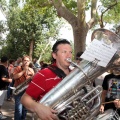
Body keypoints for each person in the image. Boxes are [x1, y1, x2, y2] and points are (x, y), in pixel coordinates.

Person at [21, 39, 72, 120]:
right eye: (64, 52)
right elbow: (25, 99)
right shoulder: (44, 74)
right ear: (54, 55)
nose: (69, 55)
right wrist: (38, 107)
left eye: (70, 52)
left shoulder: (74, 73)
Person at [13, 55, 34, 120]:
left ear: (29, 62)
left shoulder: (31, 70)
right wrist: (23, 71)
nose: (26, 62)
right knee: (18, 110)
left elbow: (34, 80)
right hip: (19, 91)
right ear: (22, 61)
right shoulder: (18, 68)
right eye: (25, 60)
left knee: (25, 110)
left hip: (27, 92)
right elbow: (15, 77)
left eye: (28, 61)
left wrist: (33, 78)